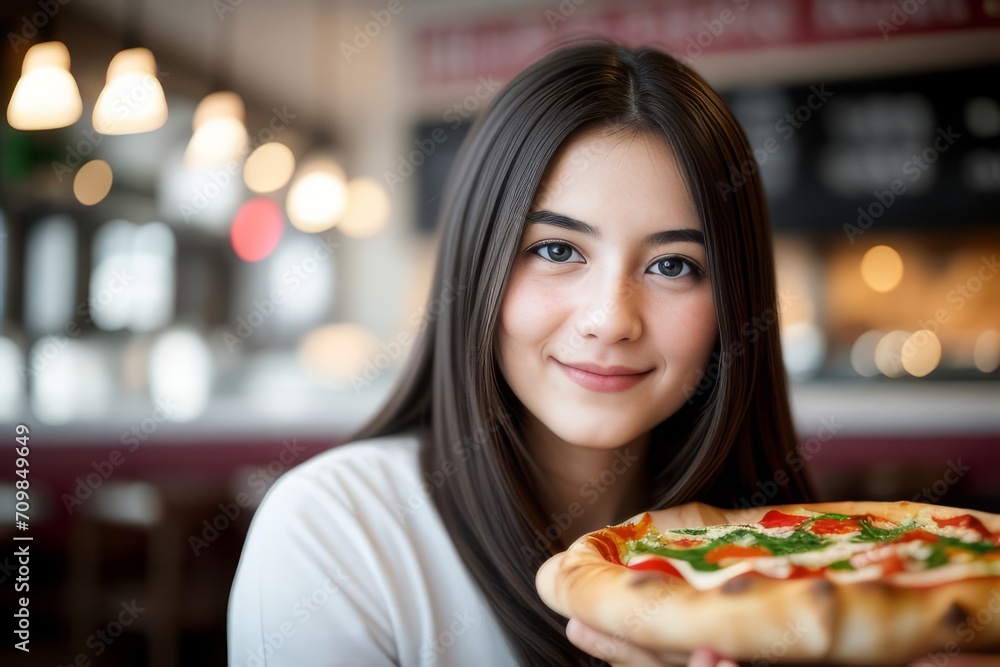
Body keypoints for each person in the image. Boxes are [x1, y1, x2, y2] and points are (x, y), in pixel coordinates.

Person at [228, 39, 816, 666]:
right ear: (477, 265)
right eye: (558, 250)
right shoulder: (337, 530)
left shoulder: (812, 559)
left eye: (673, 265)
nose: (611, 320)